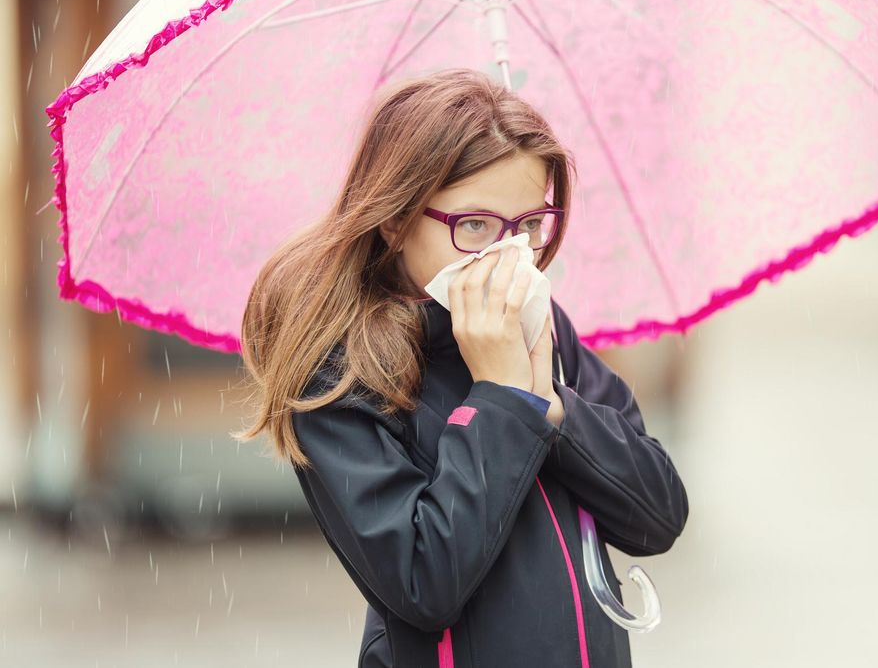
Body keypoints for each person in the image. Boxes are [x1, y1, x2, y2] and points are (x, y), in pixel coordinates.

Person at [234, 68, 689, 668]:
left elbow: (657, 514)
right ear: (396, 218)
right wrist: (502, 397)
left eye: (528, 226)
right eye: (474, 226)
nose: (507, 253)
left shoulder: (541, 324)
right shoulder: (338, 373)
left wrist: (554, 407)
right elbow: (425, 583)